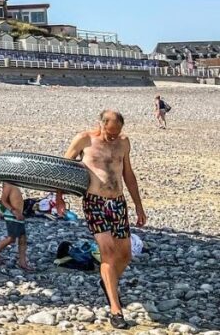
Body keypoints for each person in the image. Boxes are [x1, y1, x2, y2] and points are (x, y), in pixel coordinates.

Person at [64, 110, 146, 330]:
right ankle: (115, 309)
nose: (113, 137)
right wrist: (58, 198)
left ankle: (107, 281)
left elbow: (128, 174)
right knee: (107, 253)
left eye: (117, 132)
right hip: (95, 202)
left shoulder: (124, 142)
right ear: (100, 125)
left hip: (118, 203)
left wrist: (139, 206)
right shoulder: (85, 139)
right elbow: (62, 169)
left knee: (125, 254)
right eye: (110, 133)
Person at [0, 182, 34, 271]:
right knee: (11, 238)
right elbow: (3, 200)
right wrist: (14, 211)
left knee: (23, 238)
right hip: (13, 215)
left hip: (17, 215)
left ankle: (22, 262)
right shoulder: (8, 184)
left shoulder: (12, 184)